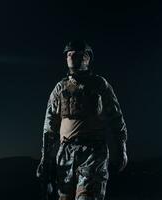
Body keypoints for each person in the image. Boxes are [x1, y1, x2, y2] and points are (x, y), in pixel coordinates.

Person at [36, 40, 128, 200]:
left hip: (92, 153)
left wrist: (121, 150)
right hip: (65, 153)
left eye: (77, 53)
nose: (71, 56)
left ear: (87, 58)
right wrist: (46, 159)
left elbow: (116, 119)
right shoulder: (60, 89)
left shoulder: (99, 85)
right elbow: (49, 126)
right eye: (69, 54)